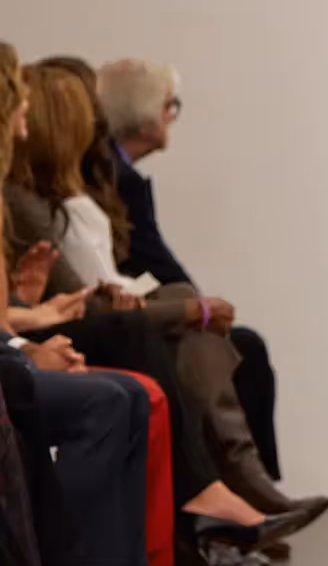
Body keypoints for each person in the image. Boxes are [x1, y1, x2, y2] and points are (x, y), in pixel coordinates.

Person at [96, 57, 288, 494]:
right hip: (121, 316)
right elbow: (153, 264)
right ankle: (249, 493)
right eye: (170, 105)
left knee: (233, 343)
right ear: (144, 111)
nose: (173, 116)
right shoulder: (116, 178)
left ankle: (249, 492)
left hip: (132, 308)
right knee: (239, 348)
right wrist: (194, 306)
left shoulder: (118, 174)